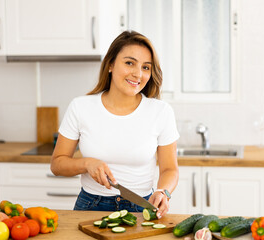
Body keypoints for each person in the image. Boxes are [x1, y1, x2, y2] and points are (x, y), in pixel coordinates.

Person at [51, 30, 179, 219]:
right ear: (110, 64)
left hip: (141, 207)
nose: (138, 74)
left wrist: (163, 192)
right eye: (129, 63)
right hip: (91, 206)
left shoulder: (161, 112)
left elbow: (170, 169)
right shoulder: (81, 107)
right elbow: (57, 164)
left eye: (146, 67)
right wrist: (86, 164)